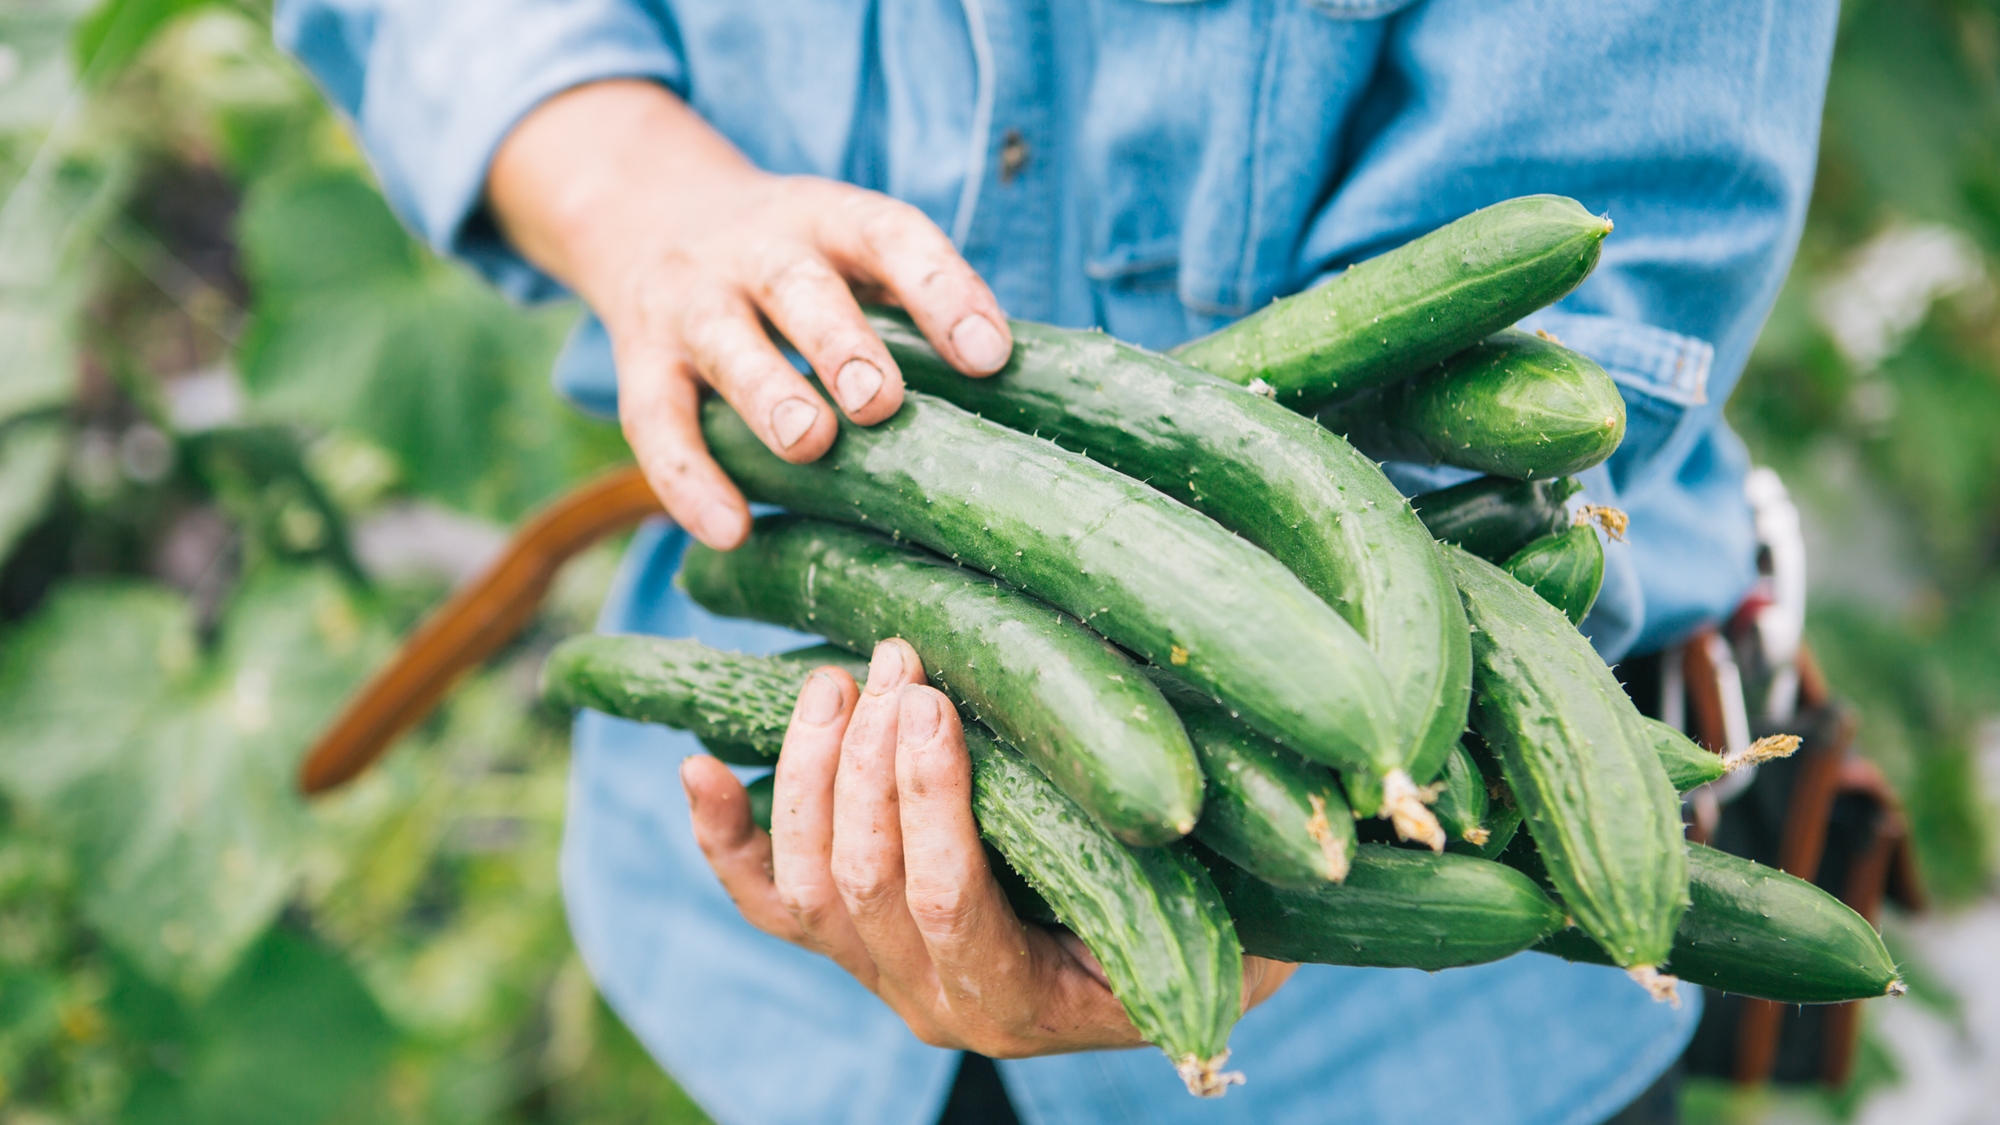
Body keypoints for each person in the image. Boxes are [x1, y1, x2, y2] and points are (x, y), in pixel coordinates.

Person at [276, 2, 1839, 1121]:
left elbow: (1549, 333)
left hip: (1407, 1004)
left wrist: (1257, 834)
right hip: (768, 944)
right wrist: (644, 203)